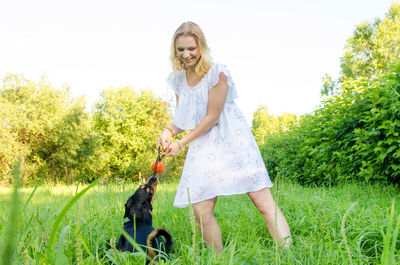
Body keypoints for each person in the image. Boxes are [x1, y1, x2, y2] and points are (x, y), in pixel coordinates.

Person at [158, 21, 291, 252]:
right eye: (181, 49)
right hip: (203, 142)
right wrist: (169, 132)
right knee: (200, 208)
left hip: (232, 138)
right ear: (175, 50)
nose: (186, 54)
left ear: (201, 47)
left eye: (191, 48)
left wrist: (181, 143)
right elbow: (184, 118)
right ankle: (218, 258)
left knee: (262, 201)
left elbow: (213, 118)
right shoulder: (178, 79)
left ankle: (288, 255)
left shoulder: (217, 72)